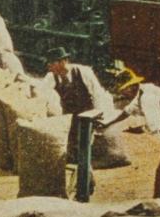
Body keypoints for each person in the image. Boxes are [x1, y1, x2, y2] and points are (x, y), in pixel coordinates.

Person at [106, 67, 160, 210]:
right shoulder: (142, 90)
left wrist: (134, 129)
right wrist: (108, 123)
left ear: (131, 87)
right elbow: (127, 112)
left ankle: (159, 208)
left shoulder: (147, 97)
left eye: (123, 90)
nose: (122, 94)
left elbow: (154, 127)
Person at [43, 46, 114, 195]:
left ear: (63, 62)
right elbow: (42, 93)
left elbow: (97, 94)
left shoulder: (83, 72)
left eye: (52, 63)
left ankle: (85, 187)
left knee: (84, 149)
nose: (49, 67)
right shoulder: (52, 77)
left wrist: (98, 116)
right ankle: (87, 183)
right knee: (73, 152)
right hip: (70, 119)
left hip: (88, 117)